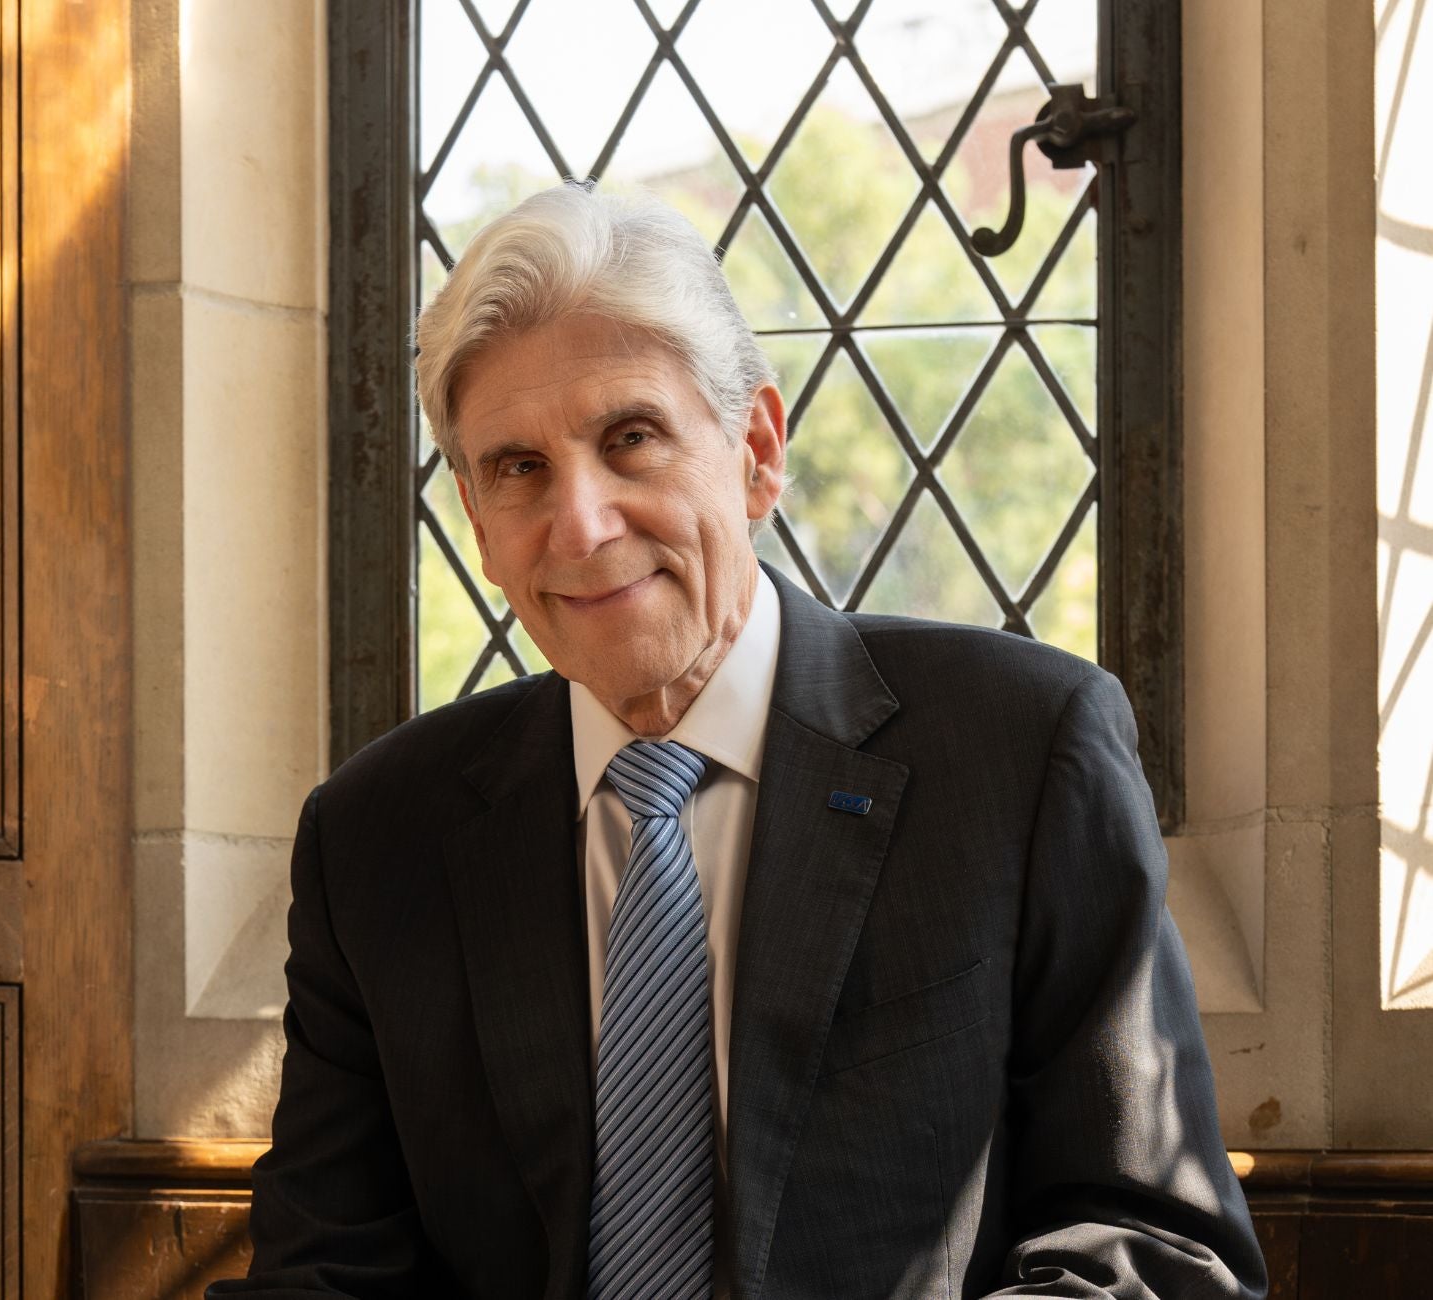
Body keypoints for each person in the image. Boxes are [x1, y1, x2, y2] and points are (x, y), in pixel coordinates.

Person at [208, 184, 1266, 1299]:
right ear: (476, 521)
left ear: (757, 448)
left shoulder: (1021, 750)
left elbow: (1158, 1248)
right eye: (518, 468)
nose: (581, 523)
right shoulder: (377, 836)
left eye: (631, 439)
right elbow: (323, 1270)